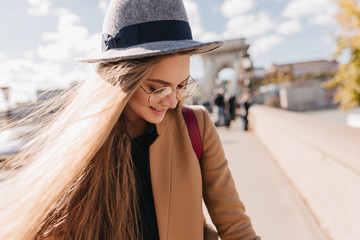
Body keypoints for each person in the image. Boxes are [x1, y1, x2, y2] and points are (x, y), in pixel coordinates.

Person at [0, 0, 261, 239]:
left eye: (182, 85)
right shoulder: (76, 148)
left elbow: (237, 229)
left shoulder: (197, 127)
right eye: (158, 88)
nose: (172, 102)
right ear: (121, 79)